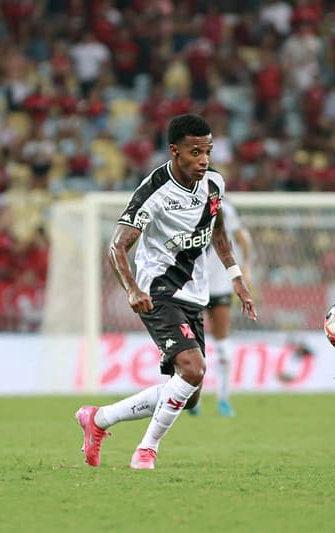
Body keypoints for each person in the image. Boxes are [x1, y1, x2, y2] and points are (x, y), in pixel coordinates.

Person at [75, 114, 257, 470]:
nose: (203, 160)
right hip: (157, 289)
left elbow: (218, 231)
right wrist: (132, 289)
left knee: (189, 392)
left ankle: (99, 418)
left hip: (195, 293)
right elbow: (117, 246)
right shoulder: (154, 192)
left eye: (207, 151)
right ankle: (147, 450)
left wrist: (235, 276)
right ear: (175, 151)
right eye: (195, 152)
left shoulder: (214, 183)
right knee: (192, 369)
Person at [194, 198, 255, 417]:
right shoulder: (184, 203)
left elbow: (243, 238)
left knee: (219, 344)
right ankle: (194, 398)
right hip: (193, 283)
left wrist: (246, 267)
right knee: (193, 345)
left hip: (218, 283)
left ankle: (222, 398)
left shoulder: (225, 208)